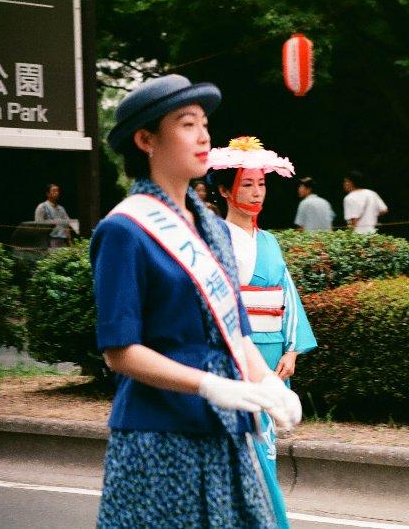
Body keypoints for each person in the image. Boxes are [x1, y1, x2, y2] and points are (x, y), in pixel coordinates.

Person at [91, 74, 301, 528]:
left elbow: (236, 332)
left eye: (205, 122)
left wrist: (267, 383)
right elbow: (120, 352)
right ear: (145, 139)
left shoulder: (210, 229)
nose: (204, 135)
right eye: (187, 124)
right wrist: (208, 384)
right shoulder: (124, 230)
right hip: (158, 435)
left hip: (226, 430)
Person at [209, 136, 318, 529]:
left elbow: (287, 294)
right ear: (225, 191)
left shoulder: (269, 240)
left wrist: (292, 349)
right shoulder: (215, 239)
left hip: (274, 355)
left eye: (262, 184)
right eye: (247, 185)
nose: (257, 193)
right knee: (246, 446)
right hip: (238, 356)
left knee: (265, 446)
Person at [34, 183, 73, 247]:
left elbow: (66, 225)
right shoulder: (42, 207)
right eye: (54, 191)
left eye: (57, 191)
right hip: (49, 240)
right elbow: (38, 225)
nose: (56, 193)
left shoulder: (61, 209)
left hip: (62, 240)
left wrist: (69, 241)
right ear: (48, 194)